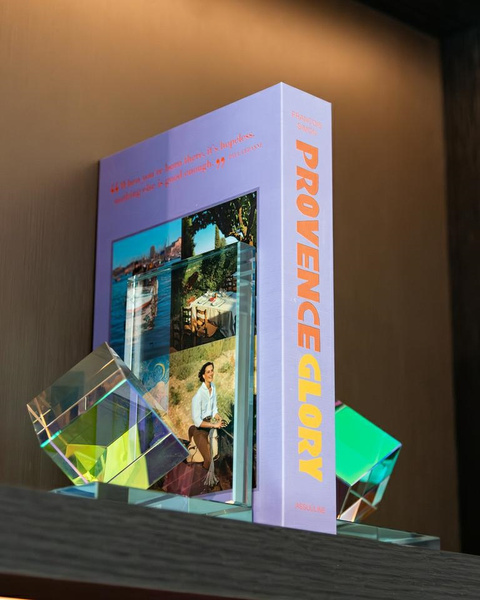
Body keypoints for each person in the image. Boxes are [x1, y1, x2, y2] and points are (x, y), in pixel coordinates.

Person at [188, 362, 223, 472]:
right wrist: (214, 425)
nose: (211, 373)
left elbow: (214, 409)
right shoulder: (198, 396)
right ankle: (202, 479)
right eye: (208, 372)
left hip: (211, 423)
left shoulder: (213, 387)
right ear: (203, 376)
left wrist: (218, 417)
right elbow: (197, 422)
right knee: (208, 460)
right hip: (201, 429)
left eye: (212, 370)